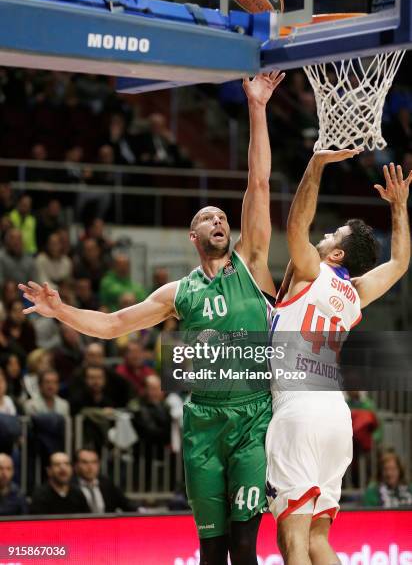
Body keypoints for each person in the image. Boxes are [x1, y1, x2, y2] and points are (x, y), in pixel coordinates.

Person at [19, 71, 284, 565]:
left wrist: (257, 106)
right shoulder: (177, 292)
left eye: (223, 216)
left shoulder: (252, 264)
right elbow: (112, 324)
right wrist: (59, 310)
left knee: (246, 550)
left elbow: (260, 182)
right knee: (212, 552)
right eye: (208, 217)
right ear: (193, 235)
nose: (220, 220)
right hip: (203, 419)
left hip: (252, 416)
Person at [266, 155, 411, 565]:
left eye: (330, 235)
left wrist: (314, 165)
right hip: (335, 416)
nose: (321, 236)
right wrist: (398, 206)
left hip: (298, 411)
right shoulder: (356, 292)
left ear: (335, 255)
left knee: (292, 539)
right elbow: (399, 264)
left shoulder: (311, 270)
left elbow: (295, 224)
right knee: (316, 540)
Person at [73, 448, 135, 513]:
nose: (90, 467)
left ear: (99, 464)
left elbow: (127, 505)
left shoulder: (107, 484)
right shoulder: (70, 486)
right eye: (85, 462)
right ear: (76, 465)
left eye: (94, 462)